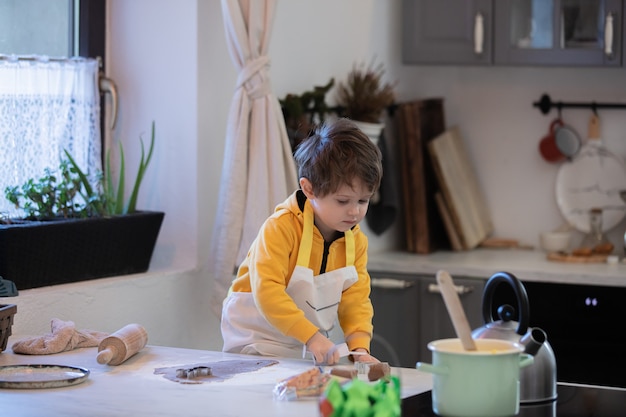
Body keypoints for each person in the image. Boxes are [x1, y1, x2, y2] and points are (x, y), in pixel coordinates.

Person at [220, 118, 383, 365]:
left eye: (362, 201)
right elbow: (268, 292)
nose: (354, 212)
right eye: (342, 201)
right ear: (309, 189)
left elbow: (356, 298)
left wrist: (360, 347)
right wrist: (312, 338)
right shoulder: (280, 228)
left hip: (304, 343)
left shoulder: (356, 242)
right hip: (254, 338)